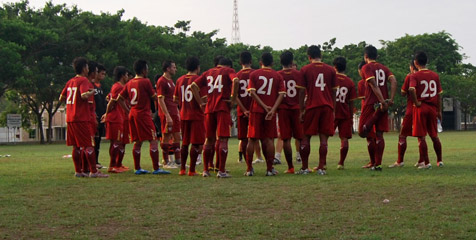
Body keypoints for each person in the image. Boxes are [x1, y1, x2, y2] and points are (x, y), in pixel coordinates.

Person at [118, 59, 170, 175]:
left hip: (133, 114)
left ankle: (138, 168)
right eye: (147, 68)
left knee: (138, 141)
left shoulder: (129, 83)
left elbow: (119, 99)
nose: (148, 71)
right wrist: (163, 98)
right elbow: (154, 97)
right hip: (143, 114)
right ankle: (156, 168)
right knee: (153, 140)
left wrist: (128, 111)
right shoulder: (145, 82)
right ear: (143, 70)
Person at [59, 57, 108, 178]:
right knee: (88, 145)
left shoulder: (70, 81)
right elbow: (84, 96)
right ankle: (93, 171)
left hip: (70, 117)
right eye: (86, 67)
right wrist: (91, 92)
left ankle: (78, 171)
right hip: (81, 117)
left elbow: (61, 97)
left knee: (76, 146)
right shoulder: (84, 81)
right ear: (84, 68)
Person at [191, 57, 239, 178]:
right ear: (227, 65)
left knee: (209, 139)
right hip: (222, 106)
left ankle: (206, 170)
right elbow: (236, 81)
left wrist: (200, 103)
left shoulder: (208, 72)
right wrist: (233, 99)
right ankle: (221, 170)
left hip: (209, 108)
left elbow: (193, 86)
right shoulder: (228, 71)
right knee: (223, 138)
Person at [299, 45, 337, 175]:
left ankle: (304, 168)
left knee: (306, 136)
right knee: (323, 139)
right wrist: (333, 108)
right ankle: (321, 167)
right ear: (320, 55)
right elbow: (334, 91)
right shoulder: (331, 70)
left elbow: (302, 90)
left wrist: (301, 109)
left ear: (309, 57)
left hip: (312, 105)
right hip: (327, 106)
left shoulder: (305, 69)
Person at [246, 52, 286, 176]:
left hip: (256, 110)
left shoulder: (254, 74)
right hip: (270, 112)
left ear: (260, 63)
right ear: (273, 63)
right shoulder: (277, 76)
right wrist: (273, 109)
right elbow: (282, 94)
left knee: (252, 139)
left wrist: (263, 106)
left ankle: (249, 169)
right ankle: (269, 169)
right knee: (269, 140)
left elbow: (252, 93)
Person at [358, 45, 397, 171]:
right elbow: (394, 81)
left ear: (365, 57)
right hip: (383, 103)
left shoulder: (366, 67)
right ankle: (377, 163)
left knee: (363, 131)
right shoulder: (384, 68)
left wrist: (380, 100)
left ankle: (374, 162)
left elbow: (373, 84)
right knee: (379, 134)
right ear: (377, 56)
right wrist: (390, 99)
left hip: (371, 103)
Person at [408, 51, 443, 169]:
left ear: (416, 63)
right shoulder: (435, 75)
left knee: (421, 136)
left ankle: (427, 163)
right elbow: (438, 95)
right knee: (434, 135)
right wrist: (439, 111)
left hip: (421, 107)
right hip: (433, 108)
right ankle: (440, 160)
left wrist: (416, 102)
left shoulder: (414, 75)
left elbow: (412, 89)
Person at [174, 57, 206, 176]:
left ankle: (182, 169)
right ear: (197, 67)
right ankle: (192, 170)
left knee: (185, 143)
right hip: (196, 115)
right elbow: (203, 98)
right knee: (196, 143)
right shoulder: (198, 79)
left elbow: (175, 99)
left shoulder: (179, 80)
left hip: (183, 114)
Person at [276, 50, 305, 174]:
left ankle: (290, 167)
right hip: (297, 108)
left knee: (286, 138)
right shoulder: (299, 74)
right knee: (301, 137)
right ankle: (304, 165)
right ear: (292, 61)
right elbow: (304, 92)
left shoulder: (277, 75)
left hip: (283, 109)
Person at [389, 61, 418, 168]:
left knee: (402, 135)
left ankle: (400, 161)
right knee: (421, 136)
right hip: (422, 109)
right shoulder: (426, 76)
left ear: (411, 67)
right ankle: (423, 160)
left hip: (411, 110)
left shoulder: (410, 76)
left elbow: (403, 92)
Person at [102, 66, 130, 173]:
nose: (128, 77)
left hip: (122, 118)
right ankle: (112, 165)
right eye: (127, 75)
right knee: (116, 141)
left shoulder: (124, 86)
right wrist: (107, 113)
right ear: (122, 76)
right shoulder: (117, 87)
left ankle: (118, 164)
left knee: (122, 142)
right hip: (115, 118)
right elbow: (112, 102)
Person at [333, 57, 357, 169]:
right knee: (344, 138)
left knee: (324, 137)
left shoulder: (331, 78)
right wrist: (351, 115)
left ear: (335, 67)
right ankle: (341, 163)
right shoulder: (350, 82)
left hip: (332, 112)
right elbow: (351, 102)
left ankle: (322, 163)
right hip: (344, 112)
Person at [156, 60, 181, 169]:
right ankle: (166, 161)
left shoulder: (171, 81)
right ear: (168, 68)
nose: (175, 69)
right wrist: (167, 115)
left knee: (176, 135)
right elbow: (160, 99)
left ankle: (178, 161)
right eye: (174, 67)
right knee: (166, 136)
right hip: (168, 113)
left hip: (174, 112)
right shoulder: (162, 81)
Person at [235, 51, 254, 170]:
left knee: (244, 139)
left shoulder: (236, 76)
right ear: (251, 61)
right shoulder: (255, 74)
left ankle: (249, 166)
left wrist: (243, 109)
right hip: (255, 110)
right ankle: (269, 166)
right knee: (260, 138)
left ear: (240, 62)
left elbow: (234, 95)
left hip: (242, 110)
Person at [357, 61, 377, 169]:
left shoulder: (362, 83)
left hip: (367, 110)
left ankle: (373, 161)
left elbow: (364, 99)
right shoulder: (376, 81)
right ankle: (376, 161)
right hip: (377, 109)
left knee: (368, 136)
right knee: (376, 136)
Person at [93, 64, 107, 169]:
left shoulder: (100, 87)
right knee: (93, 140)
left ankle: (96, 160)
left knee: (98, 140)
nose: (103, 76)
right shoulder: (91, 86)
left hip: (101, 117)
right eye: (101, 73)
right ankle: (91, 162)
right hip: (94, 117)